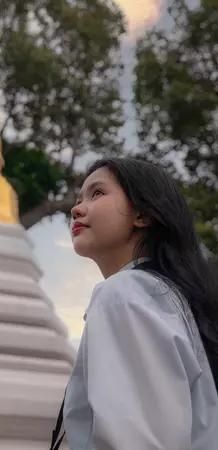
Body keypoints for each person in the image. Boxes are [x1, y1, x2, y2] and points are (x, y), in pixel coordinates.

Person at [63, 157, 218, 450]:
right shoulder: (167, 298)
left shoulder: (124, 294)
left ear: (142, 215)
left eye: (97, 193)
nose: (76, 208)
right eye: (79, 198)